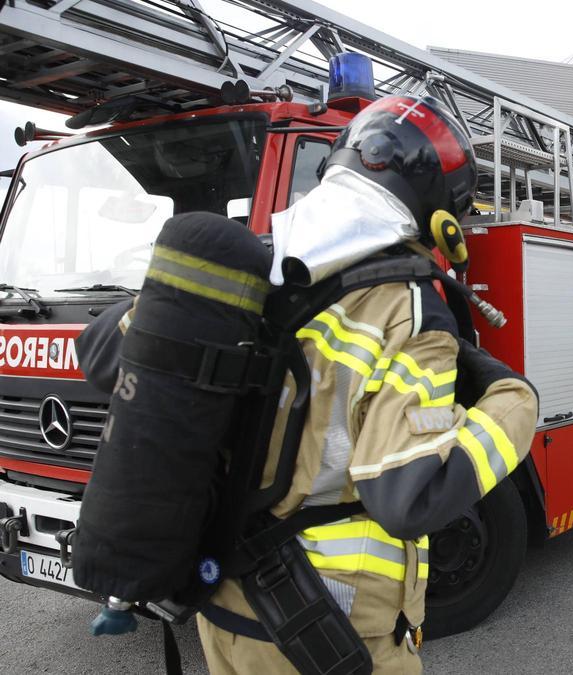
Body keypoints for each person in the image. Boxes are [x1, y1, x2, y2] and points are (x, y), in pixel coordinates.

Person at [195, 96, 540, 673]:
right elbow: (408, 498)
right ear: (442, 216)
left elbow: (106, 354)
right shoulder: (407, 309)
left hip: (225, 610)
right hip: (327, 628)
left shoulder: (245, 266)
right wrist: (515, 403)